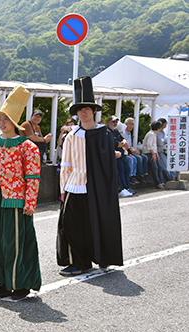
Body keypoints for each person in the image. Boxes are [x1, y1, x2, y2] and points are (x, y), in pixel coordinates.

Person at [0, 86, 42, 301]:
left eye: (6, 119)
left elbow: (33, 177)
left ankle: (20, 284)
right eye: (0, 118)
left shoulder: (28, 147)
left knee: (15, 243)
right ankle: (1, 282)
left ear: (15, 122)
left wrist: (30, 203)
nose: (1, 123)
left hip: (16, 201)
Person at [57, 76, 123, 276]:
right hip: (74, 185)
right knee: (70, 225)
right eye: (79, 109)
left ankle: (104, 257)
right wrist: (63, 190)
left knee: (100, 221)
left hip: (98, 187)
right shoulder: (71, 136)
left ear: (94, 110)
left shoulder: (104, 134)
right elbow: (66, 165)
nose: (83, 112)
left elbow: (108, 166)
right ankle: (78, 262)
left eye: (87, 108)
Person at [106, 116, 133, 197]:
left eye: (116, 122)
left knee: (126, 170)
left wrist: (124, 141)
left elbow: (123, 140)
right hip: (115, 155)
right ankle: (121, 189)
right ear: (108, 122)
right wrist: (122, 144)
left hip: (122, 155)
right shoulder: (107, 132)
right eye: (113, 122)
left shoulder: (116, 131)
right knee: (120, 172)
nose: (115, 124)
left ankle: (127, 187)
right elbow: (116, 144)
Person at [121, 117, 149, 184]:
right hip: (125, 151)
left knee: (144, 157)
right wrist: (133, 151)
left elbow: (130, 145)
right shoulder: (123, 133)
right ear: (125, 124)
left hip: (130, 150)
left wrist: (135, 150)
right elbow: (124, 146)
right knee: (137, 158)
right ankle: (135, 176)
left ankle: (144, 174)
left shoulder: (129, 133)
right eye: (129, 124)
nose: (131, 126)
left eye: (132, 124)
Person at [142, 120, 166, 189]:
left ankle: (161, 181)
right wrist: (153, 154)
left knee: (159, 166)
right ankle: (157, 183)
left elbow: (154, 146)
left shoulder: (154, 133)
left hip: (153, 152)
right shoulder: (151, 134)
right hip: (149, 153)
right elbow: (149, 145)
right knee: (154, 167)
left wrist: (156, 154)